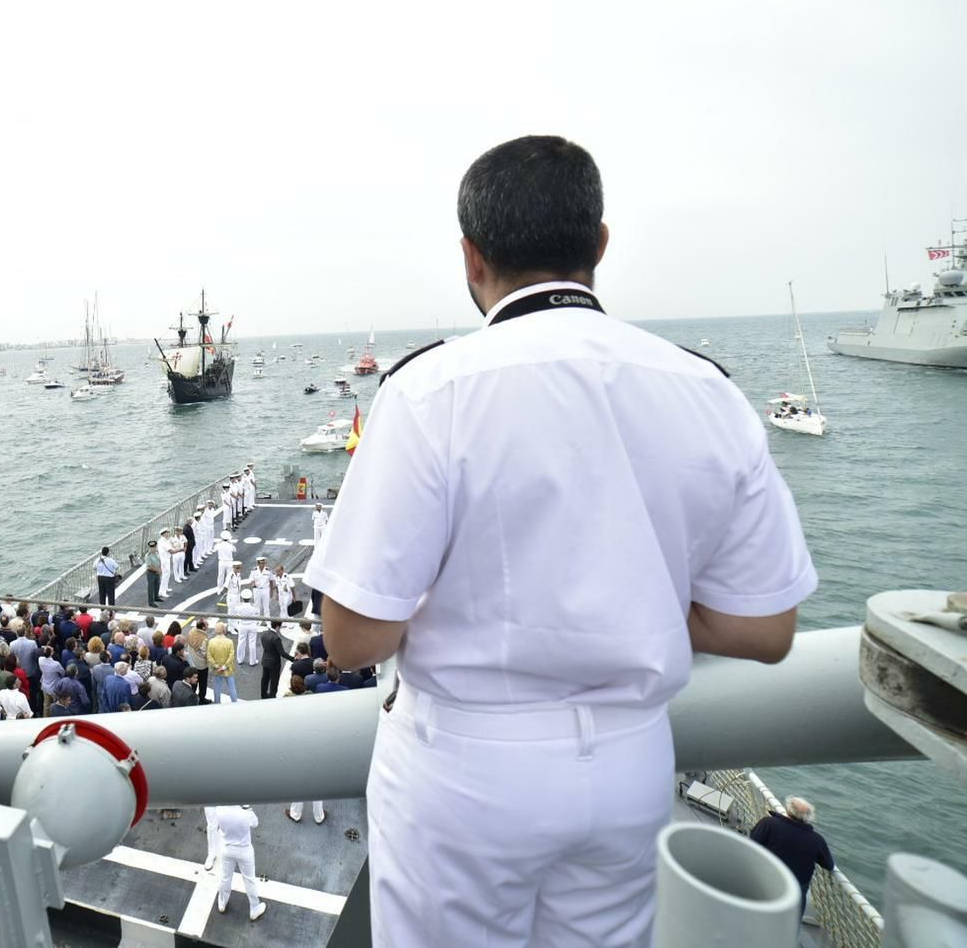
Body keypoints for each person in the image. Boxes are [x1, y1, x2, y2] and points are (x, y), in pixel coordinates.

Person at [310, 135, 815, 948]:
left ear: (472, 259)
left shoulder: (430, 391)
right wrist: (638, 599)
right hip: (631, 767)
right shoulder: (706, 391)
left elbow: (351, 636)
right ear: (600, 245)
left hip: (465, 769)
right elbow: (765, 629)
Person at [750, 796, 835, 921]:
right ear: (809, 817)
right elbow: (829, 864)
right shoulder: (816, 840)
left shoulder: (769, 823)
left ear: (788, 810)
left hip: (766, 880)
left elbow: (752, 842)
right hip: (794, 893)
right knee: (787, 926)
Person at [213, 805, 267, 923]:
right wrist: (248, 808)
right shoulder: (246, 813)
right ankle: (254, 907)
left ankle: (222, 903)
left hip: (227, 849)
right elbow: (255, 823)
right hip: (244, 850)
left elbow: (216, 824)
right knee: (249, 880)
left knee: (225, 877)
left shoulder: (219, 809)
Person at [257, 618, 291, 699]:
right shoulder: (276, 638)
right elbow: (282, 653)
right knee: (274, 681)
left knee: (264, 679)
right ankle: (272, 696)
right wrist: (293, 659)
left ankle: (263, 695)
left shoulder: (264, 634)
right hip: (274, 664)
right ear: (277, 627)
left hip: (265, 661)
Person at [207, 623, 238, 704]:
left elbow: (209, 656)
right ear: (224, 630)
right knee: (231, 687)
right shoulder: (229, 642)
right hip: (228, 669)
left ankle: (217, 703)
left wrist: (216, 666)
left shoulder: (211, 642)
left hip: (217, 670)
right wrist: (224, 667)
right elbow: (231, 656)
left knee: (217, 687)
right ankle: (234, 702)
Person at [183, 620, 211, 703]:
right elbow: (204, 654)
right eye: (206, 624)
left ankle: (191, 698)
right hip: (201, 665)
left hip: (192, 662)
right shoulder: (203, 639)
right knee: (203, 684)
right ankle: (202, 699)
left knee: (193, 683)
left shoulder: (191, 631)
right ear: (203, 627)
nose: (208, 625)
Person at [144, 539, 163, 607]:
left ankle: (156, 597)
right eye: (152, 547)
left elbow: (159, 561)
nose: (153, 548)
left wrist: (160, 568)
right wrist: (158, 570)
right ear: (150, 548)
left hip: (157, 571)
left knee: (157, 585)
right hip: (151, 573)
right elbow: (149, 566)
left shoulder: (157, 553)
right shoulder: (148, 556)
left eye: (154, 547)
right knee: (151, 587)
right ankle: (151, 602)